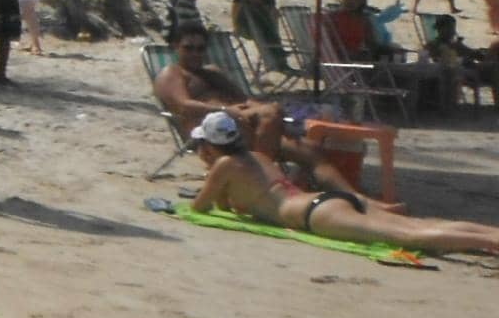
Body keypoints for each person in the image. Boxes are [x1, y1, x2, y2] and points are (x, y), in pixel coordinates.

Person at [190, 111, 499, 256]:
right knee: (418, 224)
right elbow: (229, 202)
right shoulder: (257, 155)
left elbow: (200, 207)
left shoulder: (224, 165)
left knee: (409, 235)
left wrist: (210, 178)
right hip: (325, 198)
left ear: (211, 145)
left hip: (314, 214)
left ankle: (489, 242)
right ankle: (490, 233)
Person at [150, 20, 362, 193]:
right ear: (175, 47)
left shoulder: (212, 71)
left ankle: (355, 200)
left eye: (200, 48)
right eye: (189, 48)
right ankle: (262, 186)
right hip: (213, 134)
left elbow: (245, 98)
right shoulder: (172, 73)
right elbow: (184, 105)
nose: (196, 53)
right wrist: (229, 111)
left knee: (311, 150)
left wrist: (269, 112)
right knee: (270, 116)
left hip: (245, 128)